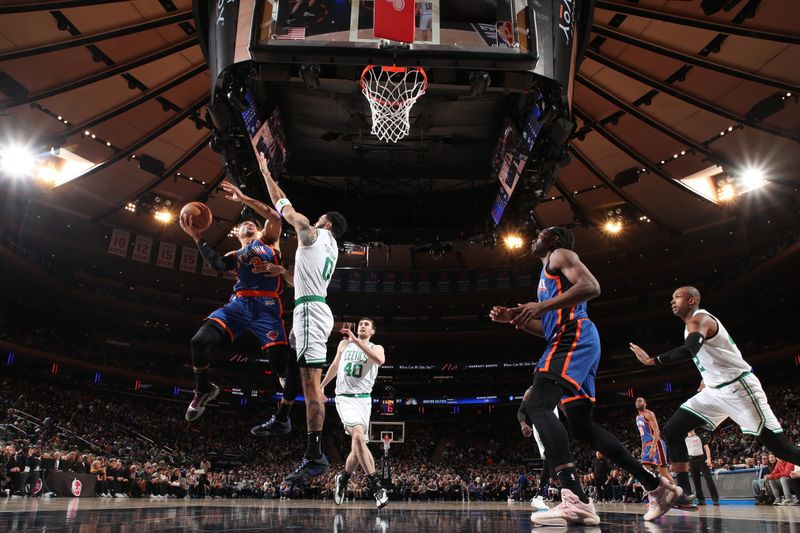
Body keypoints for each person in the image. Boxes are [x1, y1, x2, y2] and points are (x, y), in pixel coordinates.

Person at [490, 227, 679, 527]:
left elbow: (591, 286)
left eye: (542, 233)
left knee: (538, 404)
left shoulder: (560, 255)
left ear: (554, 240)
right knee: (581, 426)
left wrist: (539, 306)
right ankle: (656, 487)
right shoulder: (547, 275)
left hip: (574, 336)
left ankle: (575, 498)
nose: (535, 236)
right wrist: (517, 319)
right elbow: (548, 327)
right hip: (571, 338)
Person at [630, 286, 800, 517]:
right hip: (714, 391)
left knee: (781, 448)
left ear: (692, 300)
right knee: (672, 431)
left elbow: (689, 350)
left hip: (740, 389)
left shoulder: (700, 320)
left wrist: (652, 360)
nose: (672, 301)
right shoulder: (689, 326)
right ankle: (682, 492)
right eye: (671, 298)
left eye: (677, 297)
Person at [257, 151, 348, 484]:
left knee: (311, 386)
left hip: (310, 312)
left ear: (325, 223)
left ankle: (315, 455)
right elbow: (305, 279)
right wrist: (285, 272)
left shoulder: (314, 234)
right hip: (312, 306)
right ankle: (282, 416)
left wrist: (268, 175)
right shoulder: (332, 249)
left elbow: (286, 207)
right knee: (294, 368)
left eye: (317, 218)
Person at [180, 181, 295, 423]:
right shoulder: (235, 255)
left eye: (252, 222)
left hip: (267, 308)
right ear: (238, 234)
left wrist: (243, 198)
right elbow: (217, 264)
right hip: (238, 305)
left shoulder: (269, 240)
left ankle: (287, 377)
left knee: (280, 367)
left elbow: (273, 215)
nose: (248, 223)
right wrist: (197, 237)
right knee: (199, 342)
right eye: (244, 224)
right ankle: (203, 389)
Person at [321, 317, 388, 508]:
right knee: (358, 436)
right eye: (360, 324)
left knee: (357, 448)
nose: (362, 326)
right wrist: (321, 386)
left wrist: (357, 342)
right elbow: (334, 366)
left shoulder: (377, 347)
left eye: (367, 324)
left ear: (372, 331)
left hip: (364, 400)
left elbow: (379, 360)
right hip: (345, 398)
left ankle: (343, 478)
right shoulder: (344, 344)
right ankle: (376, 486)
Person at [517, 385, 557, 511]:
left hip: (555, 426)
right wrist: (523, 423)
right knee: (552, 456)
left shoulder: (555, 387)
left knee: (550, 459)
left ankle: (539, 496)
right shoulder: (531, 390)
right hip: (541, 426)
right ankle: (562, 491)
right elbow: (521, 411)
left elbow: (562, 405)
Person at [634, 397, 671, 481]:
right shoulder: (637, 418)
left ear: (645, 404)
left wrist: (653, 446)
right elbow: (642, 435)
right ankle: (652, 491)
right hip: (646, 445)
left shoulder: (649, 414)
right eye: (636, 401)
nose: (637, 402)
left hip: (656, 444)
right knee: (644, 471)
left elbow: (657, 430)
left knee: (663, 472)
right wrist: (643, 450)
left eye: (640, 401)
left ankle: (678, 492)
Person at [685, 429, 719, 505]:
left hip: (702, 461)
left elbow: (706, 448)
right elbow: (685, 451)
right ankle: (701, 499)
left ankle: (715, 499)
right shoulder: (685, 439)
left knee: (709, 480)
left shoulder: (700, 436)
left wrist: (708, 459)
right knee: (696, 482)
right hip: (691, 461)